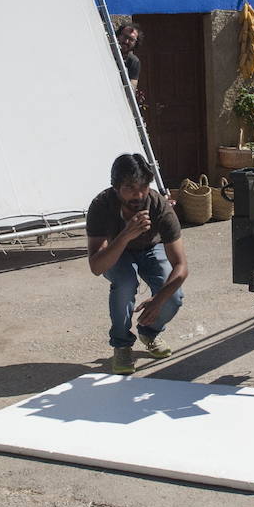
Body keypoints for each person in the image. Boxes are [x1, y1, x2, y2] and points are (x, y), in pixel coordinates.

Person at [85, 153, 187, 375]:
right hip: (117, 250)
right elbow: (97, 267)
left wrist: (158, 301)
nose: (138, 194)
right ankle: (122, 345)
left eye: (143, 186)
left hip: (151, 248)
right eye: (130, 187)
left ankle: (149, 332)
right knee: (124, 283)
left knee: (174, 296)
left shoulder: (159, 206)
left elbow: (181, 266)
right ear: (115, 187)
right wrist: (126, 235)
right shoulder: (101, 206)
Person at [116, 24, 142, 92]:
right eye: (125, 36)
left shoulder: (134, 61)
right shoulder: (106, 50)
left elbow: (131, 89)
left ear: (136, 43)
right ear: (118, 35)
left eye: (131, 39)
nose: (126, 41)